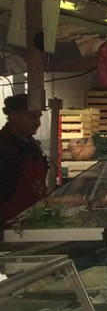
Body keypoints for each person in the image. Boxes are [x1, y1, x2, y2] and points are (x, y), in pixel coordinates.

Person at [0, 93, 49, 227]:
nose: (38, 123)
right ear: (15, 117)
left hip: (32, 223)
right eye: (32, 116)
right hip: (7, 228)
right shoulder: (3, 147)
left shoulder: (32, 145)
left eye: (39, 117)